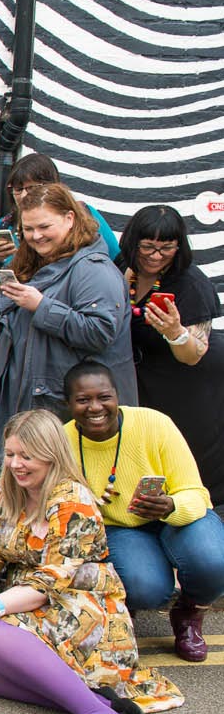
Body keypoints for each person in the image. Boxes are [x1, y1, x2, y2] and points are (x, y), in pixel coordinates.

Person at [0, 409, 182, 714]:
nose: (16, 464)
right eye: (10, 454)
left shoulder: (72, 500)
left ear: (52, 455)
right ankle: (101, 704)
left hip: (79, 607)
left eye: (27, 456)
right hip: (26, 603)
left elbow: (49, 584)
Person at [62, 361, 224, 662]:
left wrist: (171, 505)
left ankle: (190, 611)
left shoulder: (154, 424)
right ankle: (129, 601)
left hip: (178, 516)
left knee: (213, 561)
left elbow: (195, 492)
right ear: (68, 404)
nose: (95, 407)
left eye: (104, 397)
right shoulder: (62, 442)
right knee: (145, 586)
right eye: (83, 400)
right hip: (121, 528)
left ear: (117, 396)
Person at [0, 183, 135, 450]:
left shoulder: (94, 269)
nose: (36, 236)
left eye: (44, 227)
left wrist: (42, 306)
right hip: (22, 402)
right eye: (28, 229)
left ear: (70, 219)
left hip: (61, 409)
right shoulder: (32, 263)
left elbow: (100, 333)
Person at [116, 204, 224, 504]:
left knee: (184, 459)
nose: (155, 256)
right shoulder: (121, 265)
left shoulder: (192, 285)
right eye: (147, 247)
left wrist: (175, 332)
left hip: (186, 386)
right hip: (140, 381)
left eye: (166, 248)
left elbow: (193, 354)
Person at [0, 153, 119, 263]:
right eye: (18, 189)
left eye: (32, 187)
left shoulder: (85, 214)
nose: (24, 195)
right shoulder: (4, 225)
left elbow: (116, 259)